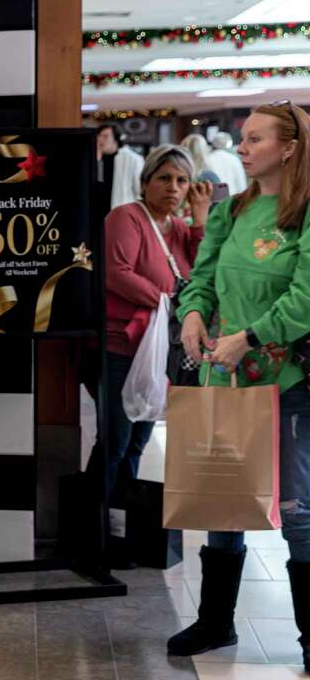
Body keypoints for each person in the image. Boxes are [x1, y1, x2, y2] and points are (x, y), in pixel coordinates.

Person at [170, 101, 310, 674]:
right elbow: (201, 278)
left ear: (290, 148)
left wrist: (250, 336)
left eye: (254, 139)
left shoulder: (304, 214)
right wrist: (193, 314)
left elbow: (304, 299)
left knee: (299, 511)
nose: (242, 147)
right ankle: (215, 622)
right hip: (222, 374)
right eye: (243, 138)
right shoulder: (229, 213)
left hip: (288, 380)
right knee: (222, 498)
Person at [103, 145, 211, 567]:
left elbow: (203, 271)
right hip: (122, 347)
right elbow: (117, 272)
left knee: (138, 443)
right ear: (145, 181)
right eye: (164, 178)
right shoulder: (127, 217)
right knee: (115, 441)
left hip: (159, 352)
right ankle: (100, 530)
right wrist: (169, 301)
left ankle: (122, 528)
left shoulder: (179, 227)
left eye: (182, 180)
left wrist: (200, 221)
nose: (173, 187)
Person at [98, 123, 145, 211]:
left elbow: (139, 191)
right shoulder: (98, 159)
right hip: (98, 214)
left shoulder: (132, 158)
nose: (100, 140)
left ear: (116, 139)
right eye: (99, 136)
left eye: (105, 136)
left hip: (123, 212)